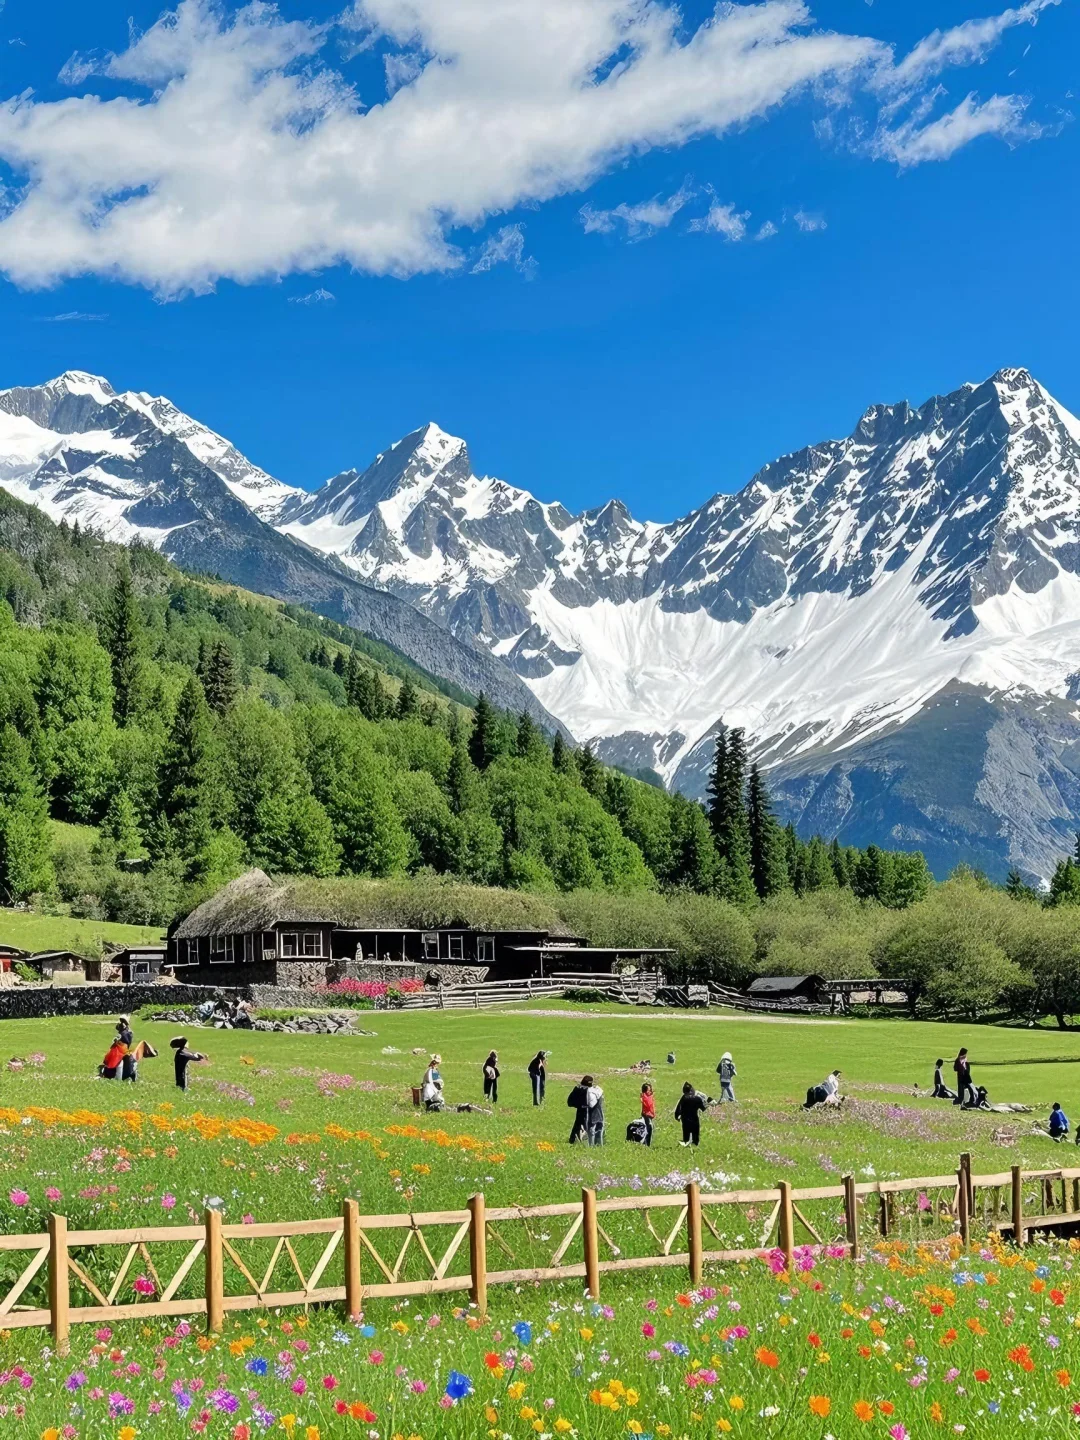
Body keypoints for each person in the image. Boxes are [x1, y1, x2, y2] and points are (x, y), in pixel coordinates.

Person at [674, 1081, 707, 1147]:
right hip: (694, 1118)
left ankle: (686, 1142)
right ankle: (695, 1143)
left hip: (685, 1118)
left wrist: (676, 1116)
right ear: (691, 1090)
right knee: (695, 1132)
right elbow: (703, 1108)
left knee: (686, 1132)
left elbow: (678, 1107)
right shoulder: (697, 1099)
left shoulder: (683, 1098)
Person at [567, 1076, 590, 1144]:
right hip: (585, 1109)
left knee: (578, 1124)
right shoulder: (587, 1090)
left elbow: (570, 1101)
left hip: (581, 1109)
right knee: (583, 1124)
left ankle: (573, 1139)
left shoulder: (578, 1088)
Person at [586, 1079, 605, 1146]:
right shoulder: (599, 1090)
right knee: (599, 1130)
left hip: (593, 1114)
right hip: (599, 1113)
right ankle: (599, 1146)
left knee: (592, 1131)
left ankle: (591, 1146)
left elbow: (591, 1104)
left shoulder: (589, 1092)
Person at [640, 1081, 655, 1147]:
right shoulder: (645, 1097)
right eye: (649, 1090)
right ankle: (646, 1143)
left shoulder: (648, 1096)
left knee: (649, 1129)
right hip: (647, 1115)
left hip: (650, 1115)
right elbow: (648, 1104)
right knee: (649, 1128)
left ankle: (646, 1143)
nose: (650, 1091)